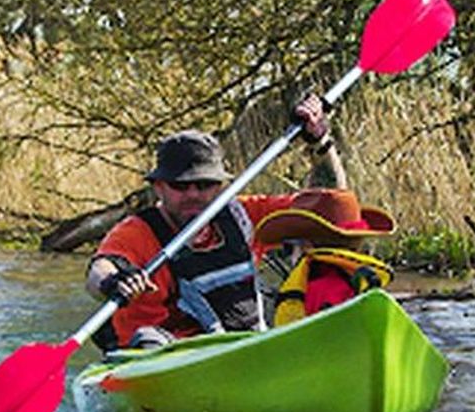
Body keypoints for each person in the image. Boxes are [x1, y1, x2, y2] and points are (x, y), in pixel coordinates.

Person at [85, 94, 345, 350]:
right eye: (181, 186)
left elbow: (330, 207)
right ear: (158, 188)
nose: (194, 194)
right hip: (160, 352)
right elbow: (99, 270)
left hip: (236, 347)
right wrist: (112, 282)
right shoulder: (136, 232)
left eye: (205, 184)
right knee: (149, 341)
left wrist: (319, 142)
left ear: (220, 186)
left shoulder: (244, 215)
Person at [253, 187, 396, 326]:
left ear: (306, 247)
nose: (288, 257)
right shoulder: (362, 282)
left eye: (288, 247)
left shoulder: (318, 290)